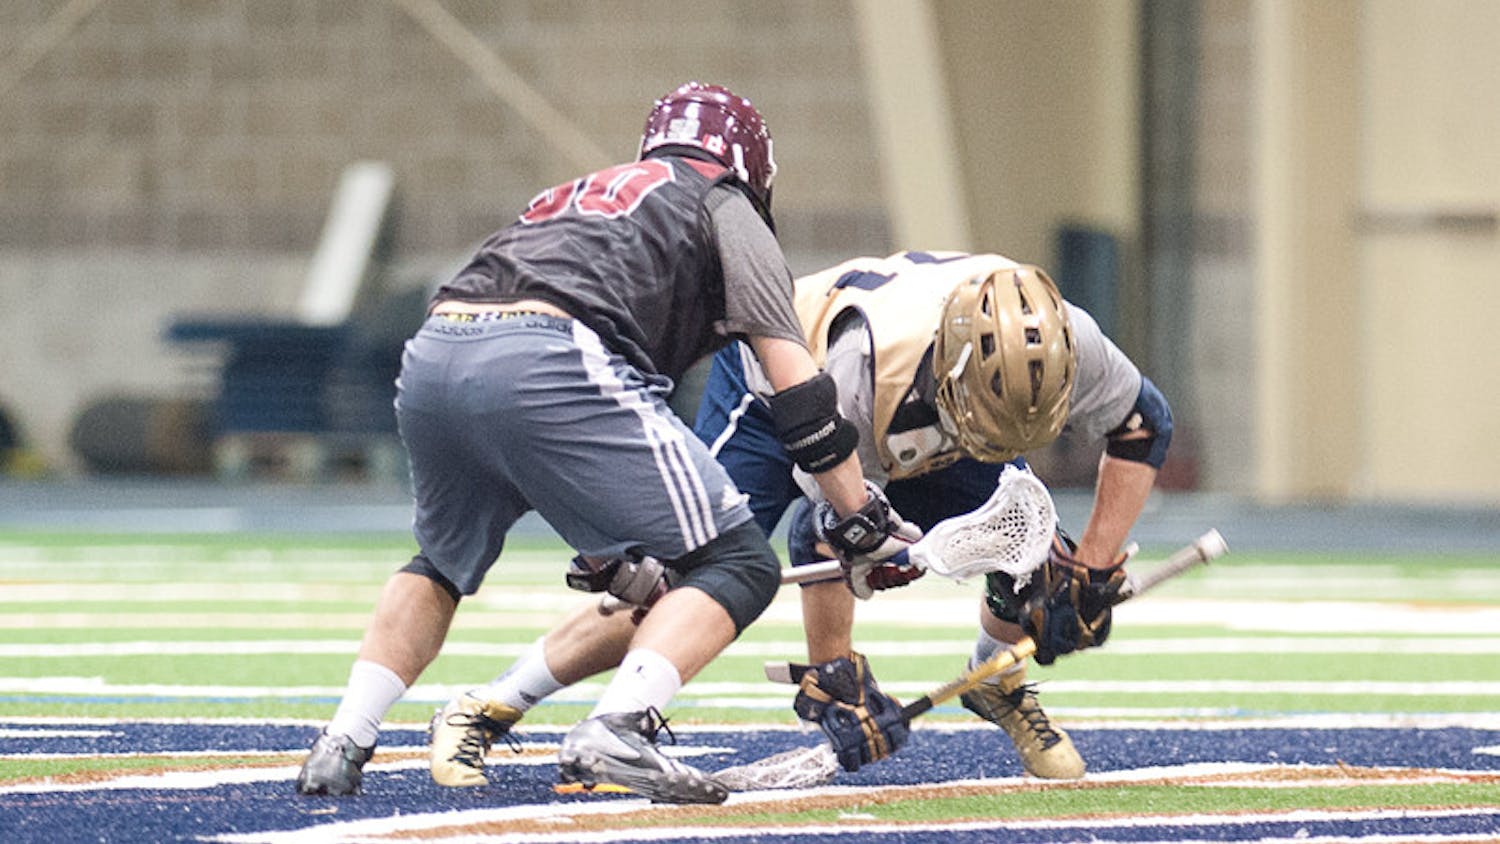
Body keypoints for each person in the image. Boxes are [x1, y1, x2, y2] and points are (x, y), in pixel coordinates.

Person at [294, 82, 919, 805]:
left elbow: (544, 440)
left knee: (438, 562)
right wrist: (859, 517)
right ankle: (619, 726)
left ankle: (342, 739)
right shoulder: (724, 202)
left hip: (438, 350)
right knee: (739, 561)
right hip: (553, 355)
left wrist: (608, 556)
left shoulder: (583, 191)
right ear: (752, 161)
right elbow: (799, 392)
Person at [427, 251, 1172, 786]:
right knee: (692, 583)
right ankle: (491, 704)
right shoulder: (860, 372)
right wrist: (835, 676)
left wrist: (1093, 570)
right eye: (993, 422)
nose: (1005, 448)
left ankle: (993, 677)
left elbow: (1144, 427)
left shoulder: (1072, 343)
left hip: (906, 413)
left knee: (1027, 544)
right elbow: (824, 532)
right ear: (952, 374)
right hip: (779, 391)